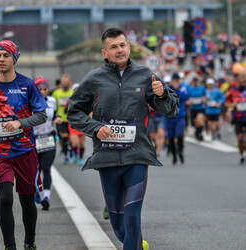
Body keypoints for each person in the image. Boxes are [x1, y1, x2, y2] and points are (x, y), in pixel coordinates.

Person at [67, 28, 179, 250]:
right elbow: (73, 113)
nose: (119, 50)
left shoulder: (146, 76)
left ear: (128, 47)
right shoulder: (94, 79)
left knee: (132, 214)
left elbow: (171, 110)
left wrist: (163, 95)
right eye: (113, 47)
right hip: (107, 158)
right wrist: (95, 128)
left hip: (136, 155)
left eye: (122, 45)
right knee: (119, 225)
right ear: (105, 53)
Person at [0, 40, 48, 250]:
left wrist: (20, 122)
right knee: (5, 198)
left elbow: (42, 115)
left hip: (26, 151)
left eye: (5, 56)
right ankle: (10, 246)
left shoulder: (27, 85)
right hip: (0, 154)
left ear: (14, 58)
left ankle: (29, 242)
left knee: (27, 201)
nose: (1, 59)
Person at [33, 76, 62, 210]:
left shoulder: (51, 101)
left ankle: (47, 198)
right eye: (40, 89)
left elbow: (55, 114)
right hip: (34, 139)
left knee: (46, 168)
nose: (43, 92)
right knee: (35, 170)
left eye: (45, 89)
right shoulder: (29, 102)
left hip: (49, 138)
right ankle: (36, 193)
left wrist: (58, 118)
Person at [164, 73, 190, 164]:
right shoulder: (167, 88)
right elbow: (165, 98)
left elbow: (186, 97)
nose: (176, 82)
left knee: (179, 134)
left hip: (180, 116)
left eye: (177, 80)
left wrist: (178, 89)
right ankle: (174, 155)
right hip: (169, 117)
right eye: (174, 80)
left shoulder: (182, 88)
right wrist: (174, 89)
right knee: (170, 136)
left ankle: (181, 152)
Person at [52, 74, 74, 164]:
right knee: (64, 137)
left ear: (69, 82)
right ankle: (66, 155)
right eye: (63, 81)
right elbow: (53, 106)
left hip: (71, 119)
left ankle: (71, 149)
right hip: (60, 119)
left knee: (71, 138)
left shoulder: (73, 92)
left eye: (66, 81)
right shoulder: (56, 93)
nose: (65, 83)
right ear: (61, 82)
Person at [225, 71, 246, 164]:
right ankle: (242, 155)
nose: (242, 84)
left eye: (243, 82)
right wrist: (232, 105)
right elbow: (226, 103)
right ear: (237, 82)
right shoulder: (233, 91)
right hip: (238, 118)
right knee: (240, 138)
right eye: (240, 82)